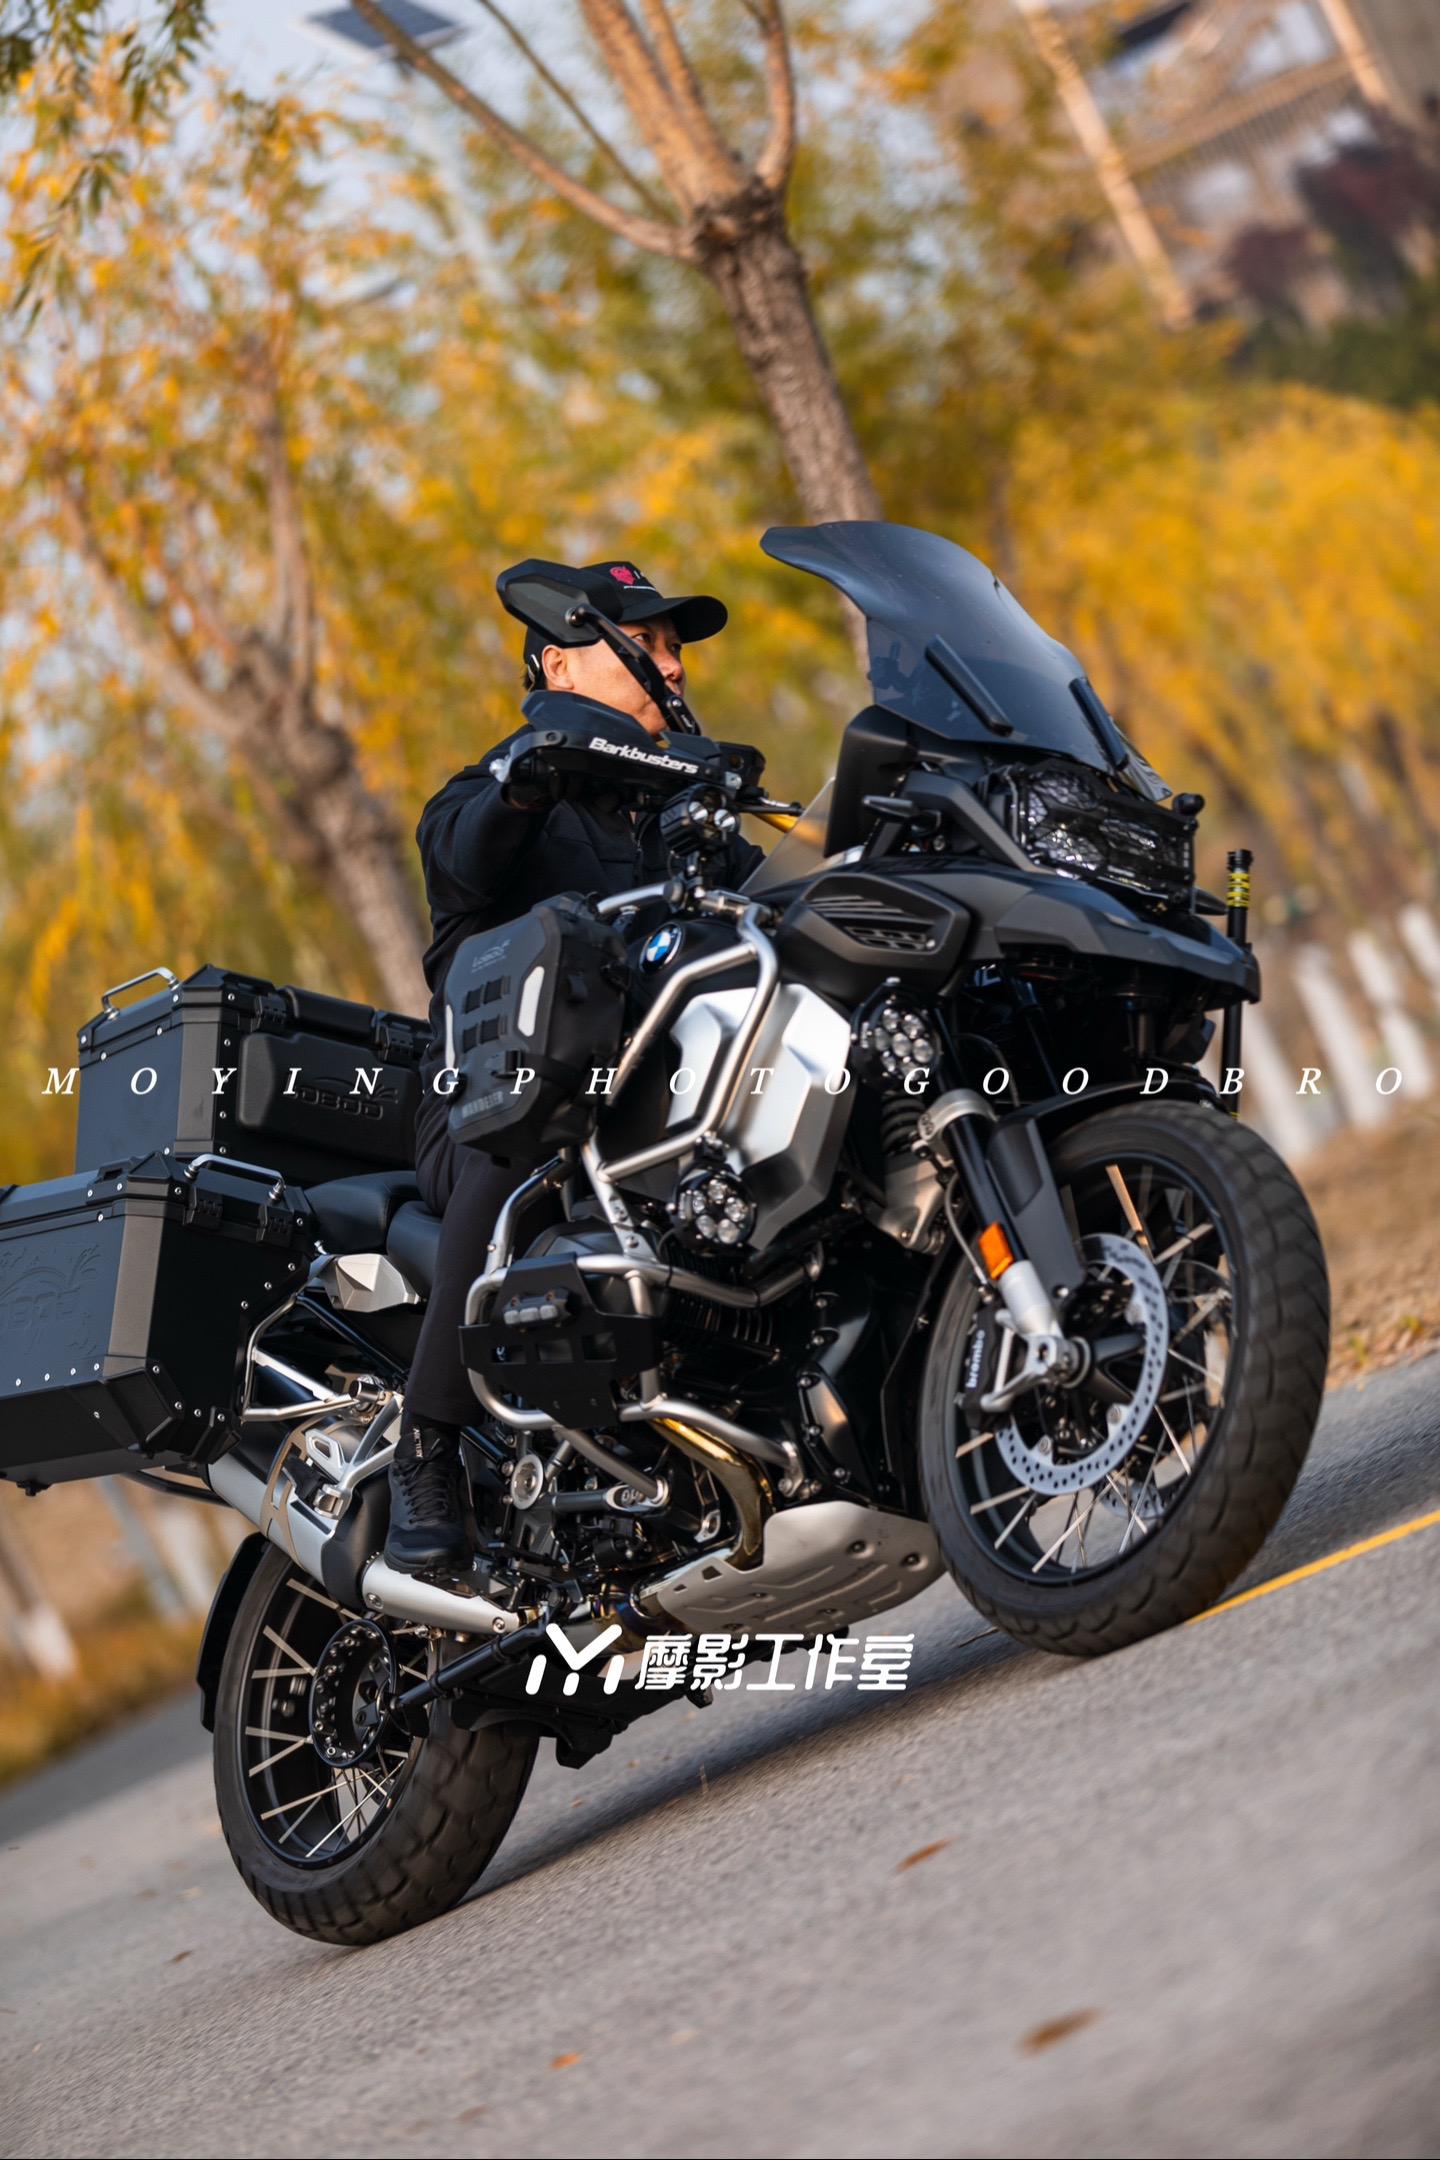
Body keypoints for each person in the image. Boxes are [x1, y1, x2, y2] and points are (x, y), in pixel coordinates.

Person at [386, 558, 765, 1574]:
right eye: (646, 646)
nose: (673, 667)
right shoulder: (498, 794)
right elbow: (466, 856)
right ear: (558, 663)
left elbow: (775, 906)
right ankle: (425, 1446)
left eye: (675, 648)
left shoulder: (682, 819)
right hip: (490, 1114)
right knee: (530, 1125)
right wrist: (528, 775)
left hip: (651, 1104)